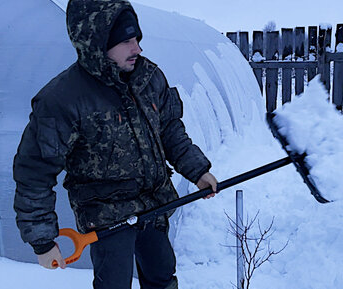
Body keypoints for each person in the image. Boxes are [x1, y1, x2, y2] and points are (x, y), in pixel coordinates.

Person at [12, 0, 218, 288]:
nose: (137, 49)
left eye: (137, 39)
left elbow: (170, 129)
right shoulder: (62, 100)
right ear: (96, 43)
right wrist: (43, 240)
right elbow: (34, 172)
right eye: (126, 41)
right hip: (107, 217)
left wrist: (197, 170)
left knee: (162, 277)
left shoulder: (148, 77)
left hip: (154, 204)